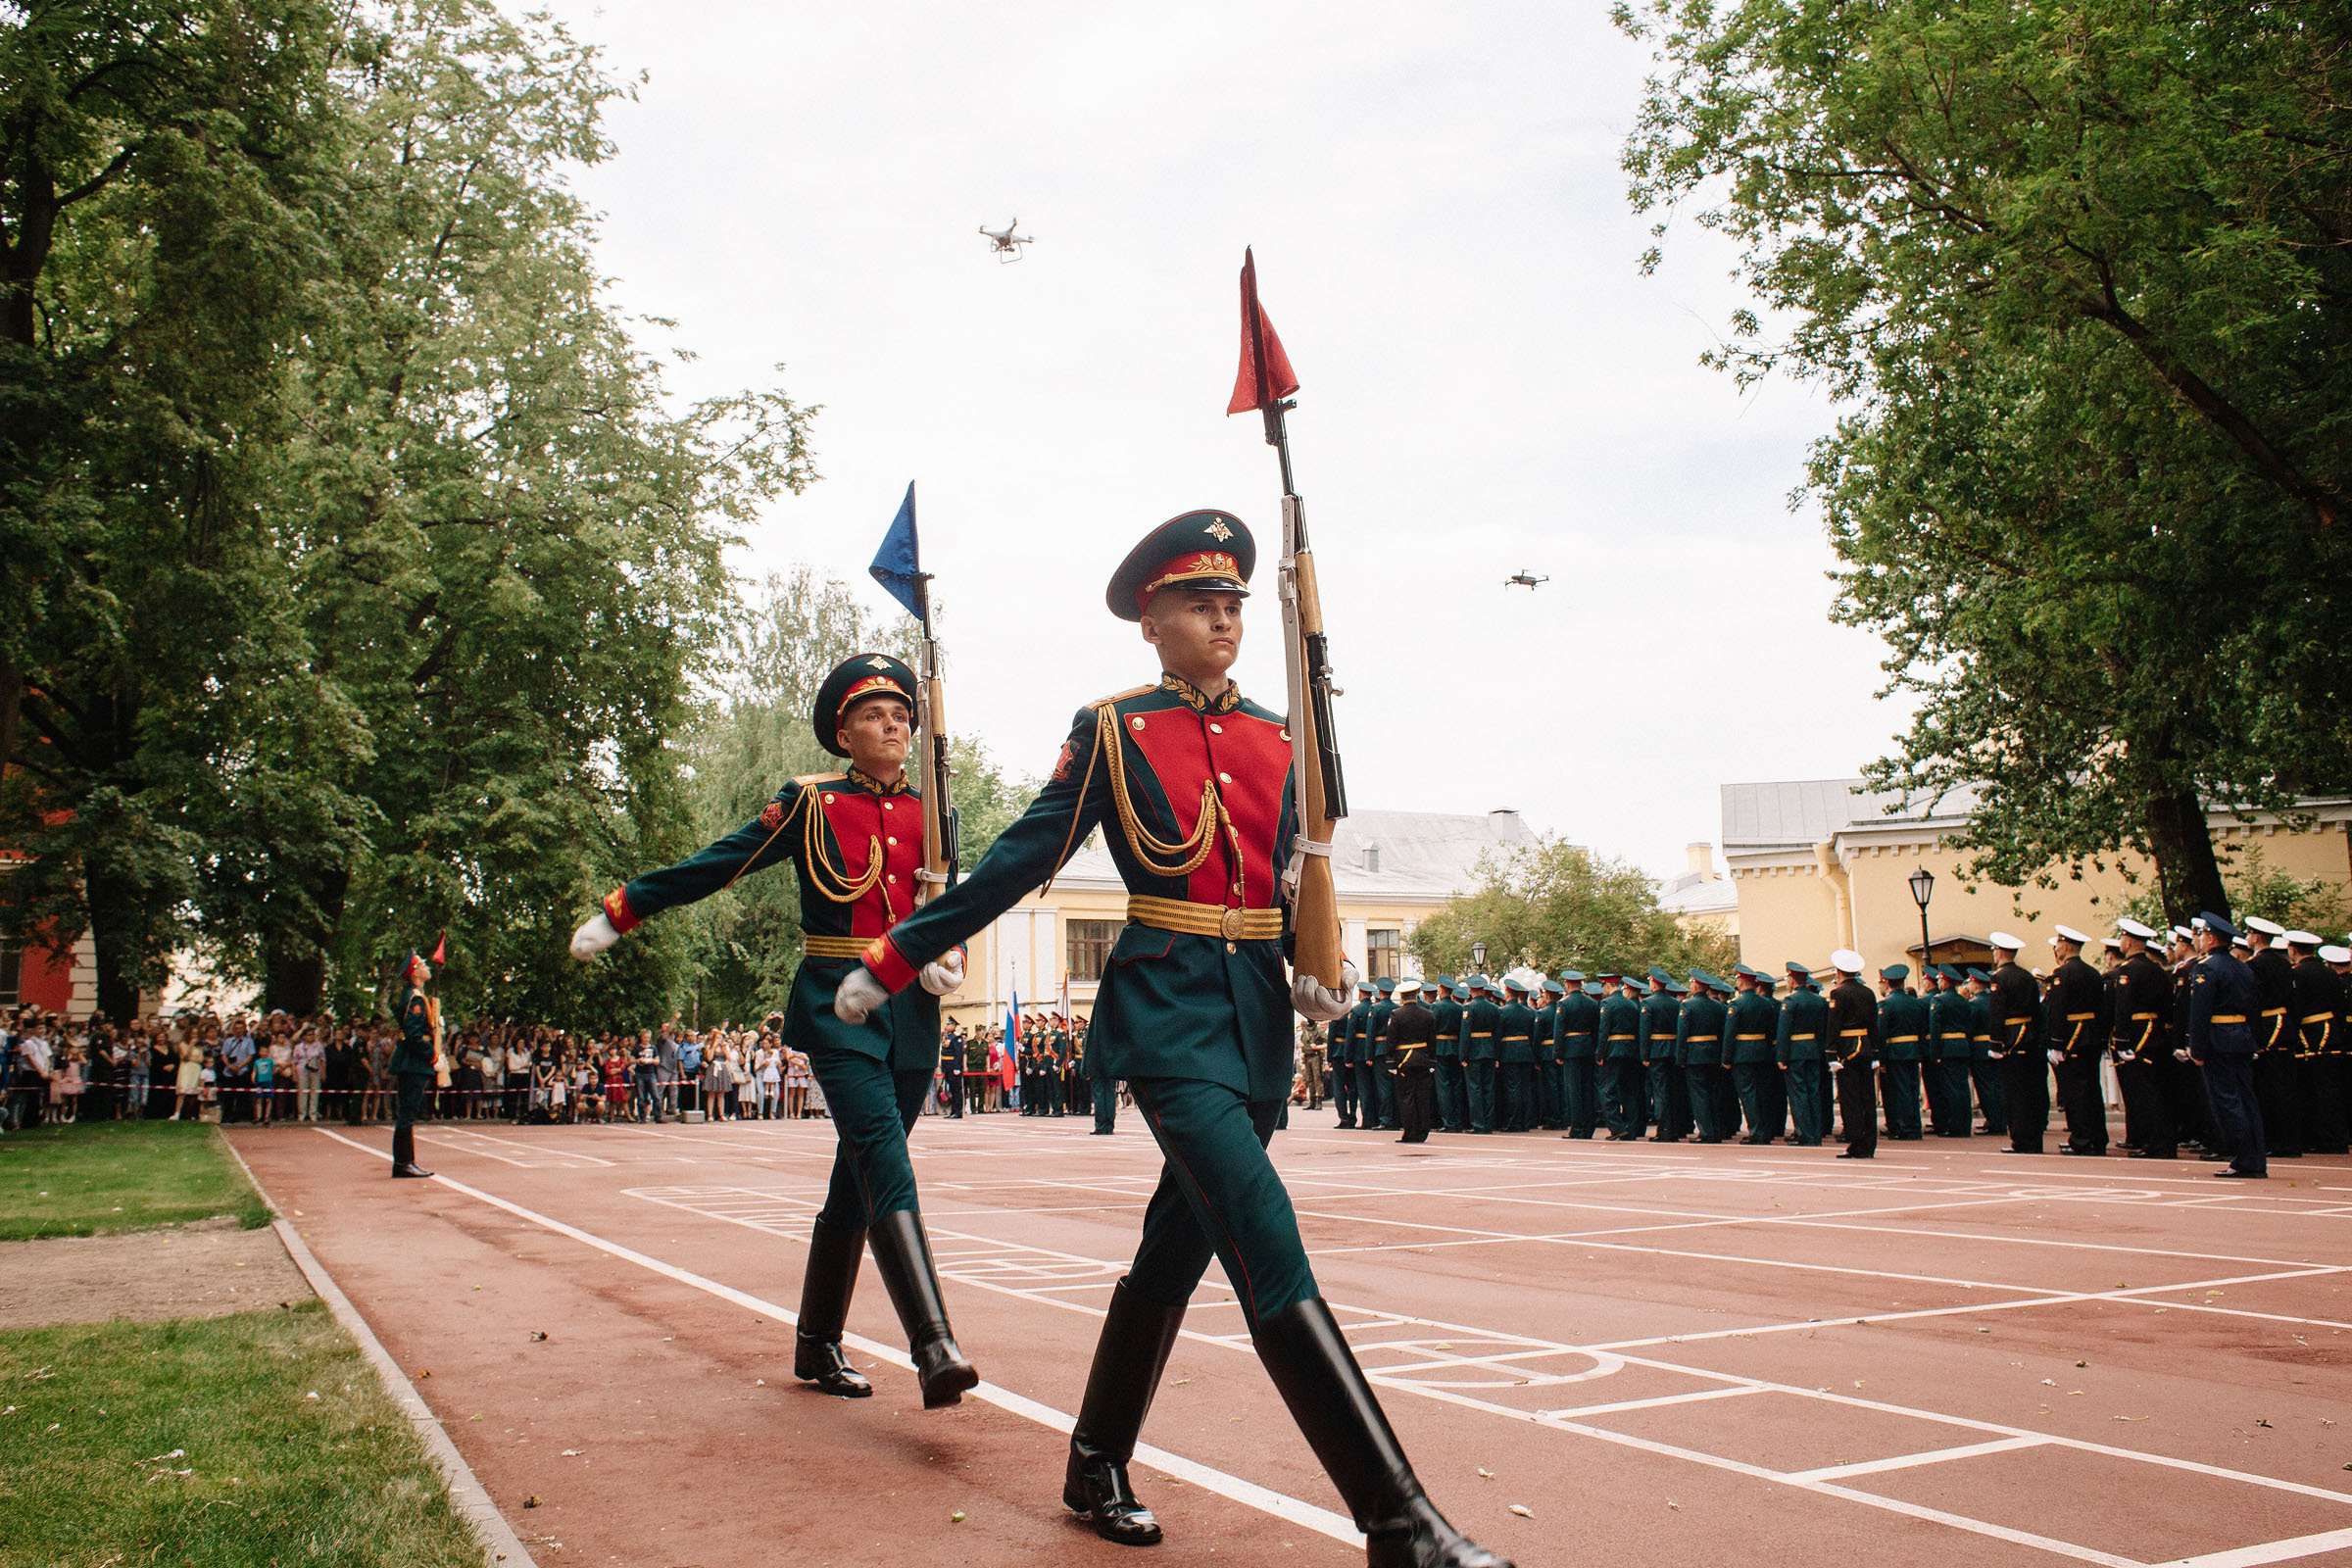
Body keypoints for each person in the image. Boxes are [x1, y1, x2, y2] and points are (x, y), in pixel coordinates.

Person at [830, 511, 1505, 1567]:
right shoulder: (1116, 729)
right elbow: (1017, 859)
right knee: (1266, 1240)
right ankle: (1401, 1523)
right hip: (1167, 1018)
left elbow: (1290, 880)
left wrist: (1313, 966)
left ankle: (1095, 1457)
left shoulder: (1283, 737)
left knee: (1173, 1253)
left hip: (1259, 1028)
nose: (1225, 617)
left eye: (1235, 602)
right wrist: (897, 954)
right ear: (1152, 620)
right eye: (1201, 602)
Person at [571, 652, 979, 1411]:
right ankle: (934, 1343)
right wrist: (624, 909)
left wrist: (949, 953)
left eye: (901, 715)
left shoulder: (934, 811)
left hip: (913, 1013)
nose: (892, 725)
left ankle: (817, 1342)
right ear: (842, 734)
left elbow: (949, 905)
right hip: (837, 1007)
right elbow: (720, 864)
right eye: (873, 716)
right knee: (884, 1157)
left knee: (856, 1182)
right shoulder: (810, 802)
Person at [2188, 913, 2265, 1178]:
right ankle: (2254, 1157)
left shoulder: (2207, 967)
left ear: (2210, 937)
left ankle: (2244, 1158)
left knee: (2227, 1101)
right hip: (2241, 1037)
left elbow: (2200, 1011)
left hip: (2218, 1039)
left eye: (2201, 934)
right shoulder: (2242, 966)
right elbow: (2254, 1007)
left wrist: (2196, 1048)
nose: (2199, 939)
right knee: (2247, 1099)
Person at [2045, 926, 2107, 1155]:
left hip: (2072, 1037)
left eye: (2059, 944)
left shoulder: (2062, 974)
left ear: (2068, 946)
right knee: (2092, 1088)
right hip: (2090, 1035)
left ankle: (2082, 1138)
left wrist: (2056, 1043)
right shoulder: (2092, 972)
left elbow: (2058, 1011)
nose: (2057, 948)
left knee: (2076, 1091)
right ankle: (2097, 1137)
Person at [1986, 933, 2047, 1153]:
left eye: (1994, 950)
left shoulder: (1999, 978)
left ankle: (2021, 1140)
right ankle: (2034, 1138)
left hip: (2010, 1038)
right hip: (2029, 1037)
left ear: (2000, 952)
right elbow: (2037, 1011)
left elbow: (1997, 1013)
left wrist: (1995, 1044)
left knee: (2014, 1093)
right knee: (2031, 1091)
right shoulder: (2027, 976)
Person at [1825, 950, 1879, 1158]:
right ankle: (1869, 1143)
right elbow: (1874, 1025)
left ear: (1839, 972)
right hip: (1865, 1047)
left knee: (1851, 1099)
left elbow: (1834, 1025)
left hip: (1847, 1049)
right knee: (1867, 1098)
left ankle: (1856, 1143)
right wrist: (1875, 1051)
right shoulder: (1868, 992)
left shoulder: (1838, 993)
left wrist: (1831, 1053)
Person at [390, 953, 439, 1178]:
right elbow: (413, 1034)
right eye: (422, 965)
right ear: (415, 972)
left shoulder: (417, 996)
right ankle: (402, 1163)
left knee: (408, 1113)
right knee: (407, 1113)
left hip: (413, 1061)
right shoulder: (415, 999)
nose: (427, 967)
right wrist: (431, 1055)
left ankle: (407, 1161)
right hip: (413, 1061)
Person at [1386, 978, 1437, 1144]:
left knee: (1406, 1097)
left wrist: (1391, 1062)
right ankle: (1423, 1131)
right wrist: (1432, 1062)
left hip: (1404, 1061)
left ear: (1402, 997)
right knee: (1422, 1097)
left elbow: (1391, 1041)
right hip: (1422, 1060)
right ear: (1416, 995)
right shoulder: (1428, 1014)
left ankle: (1410, 1132)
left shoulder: (1396, 1015)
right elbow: (1432, 1041)